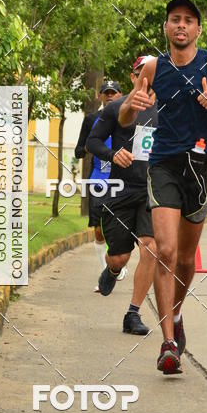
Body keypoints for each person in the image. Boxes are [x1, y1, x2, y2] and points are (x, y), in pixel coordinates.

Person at [119, 0, 207, 375]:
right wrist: (134, 103)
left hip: (200, 169)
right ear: (166, 28)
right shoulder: (152, 67)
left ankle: (176, 314)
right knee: (164, 250)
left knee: (184, 259)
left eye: (188, 21)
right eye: (174, 20)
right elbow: (126, 115)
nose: (181, 26)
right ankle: (167, 344)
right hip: (163, 166)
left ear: (198, 29)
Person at [85, 57, 157, 336]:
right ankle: (112, 271)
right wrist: (113, 153)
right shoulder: (116, 107)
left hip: (152, 190)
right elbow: (93, 141)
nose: (149, 78)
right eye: (143, 73)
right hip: (121, 189)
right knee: (119, 257)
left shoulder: (164, 108)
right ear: (133, 77)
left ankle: (133, 314)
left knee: (150, 247)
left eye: (154, 73)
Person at [74, 80, 127, 292]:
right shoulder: (91, 120)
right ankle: (107, 272)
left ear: (122, 95)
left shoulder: (129, 117)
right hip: (98, 180)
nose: (110, 96)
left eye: (114, 93)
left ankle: (116, 262)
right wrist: (91, 147)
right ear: (100, 96)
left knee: (120, 230)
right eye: (106, 93)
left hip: (123, 181)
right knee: (99, 231)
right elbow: (79, 149)